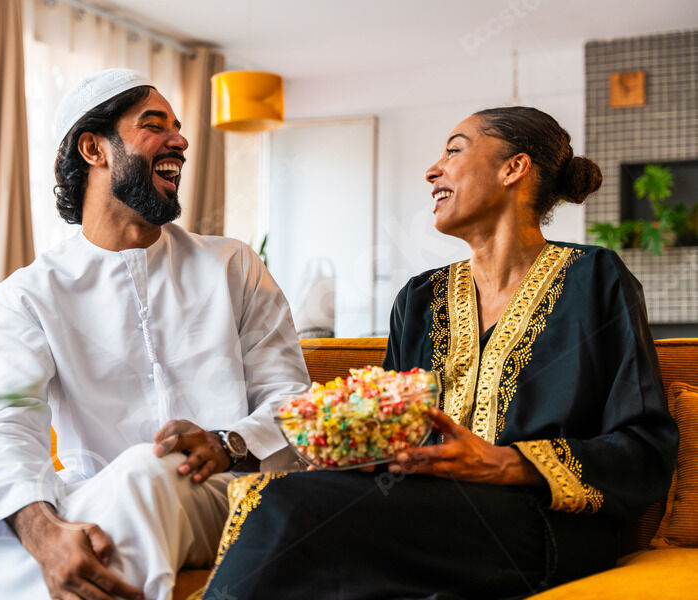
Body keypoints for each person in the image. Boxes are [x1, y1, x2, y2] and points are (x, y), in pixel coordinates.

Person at [0, 69, 310, 600]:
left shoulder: (232, 265)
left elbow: (293, 401)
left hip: (225, 491)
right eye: (154, 125)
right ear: (94, 149)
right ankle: (59, 555)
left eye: (178, 127)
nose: (179, 141)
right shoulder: (30, 293)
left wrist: (228, 443)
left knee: (147, 468)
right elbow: (8, 426)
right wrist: (42, 531)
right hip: (91, 496)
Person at [201, 106, 679, 600]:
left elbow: (644, 448)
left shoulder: (595, 279)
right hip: (425, 513)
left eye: (454, 150)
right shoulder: (420, 298)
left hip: (543, 524)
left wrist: (504, 463)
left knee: (289, 506)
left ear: (514, 168)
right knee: (288, 505)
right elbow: (390, 433)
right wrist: (348, 450)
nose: (432, 171)